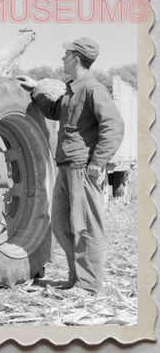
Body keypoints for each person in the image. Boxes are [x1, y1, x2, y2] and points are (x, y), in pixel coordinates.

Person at [17, 37, 124, 296]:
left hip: (82, 168)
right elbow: (55, 111)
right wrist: (35, 89)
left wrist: (98, 163)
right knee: (61, 223)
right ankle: (76, 278)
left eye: (66, 55)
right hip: (65, 166)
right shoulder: (71, 89)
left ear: (76, 58)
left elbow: (114, 127)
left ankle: (88, 285)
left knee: (85, 225)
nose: (62, 59)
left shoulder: (93, 88)